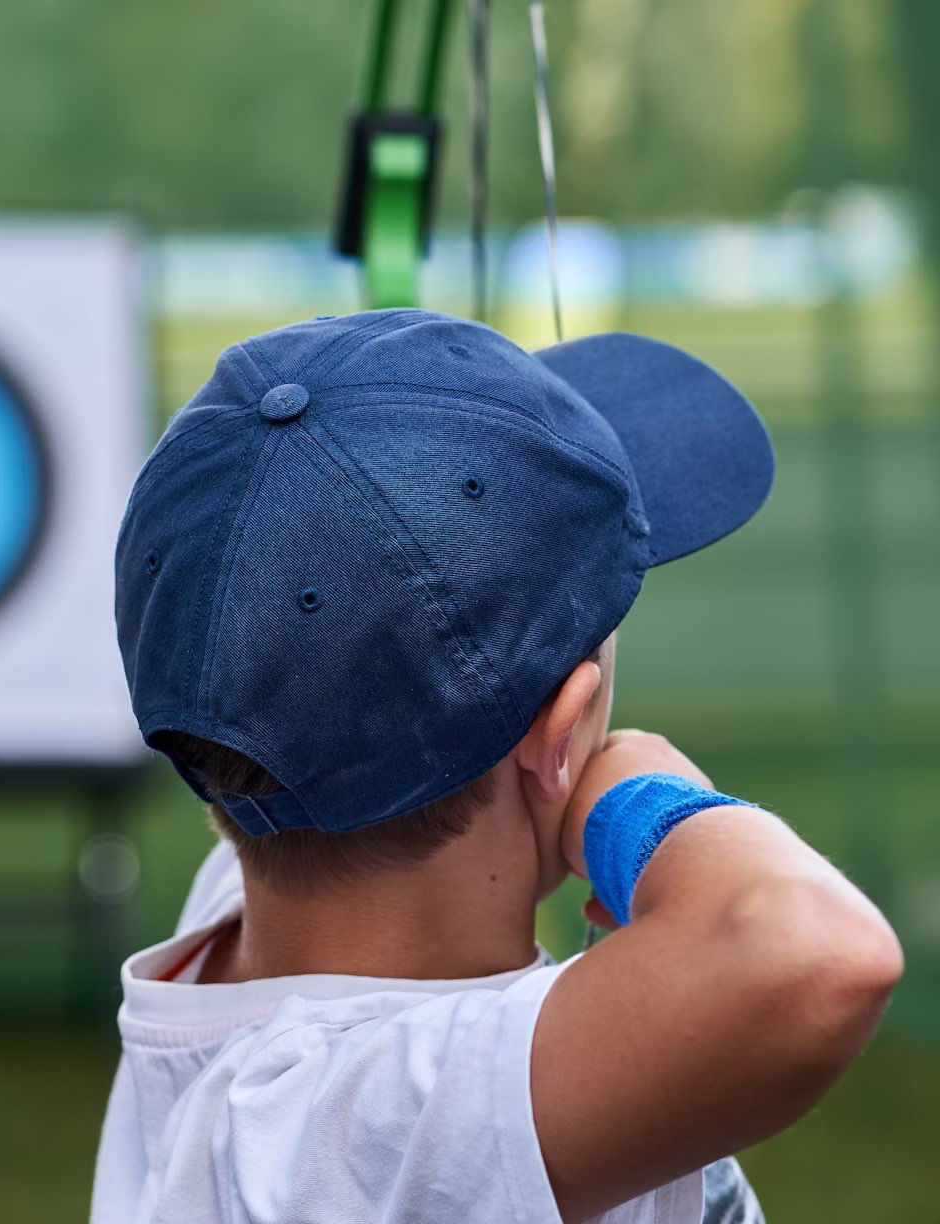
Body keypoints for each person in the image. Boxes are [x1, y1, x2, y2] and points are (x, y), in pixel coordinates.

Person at [92, 309, 902, 1223]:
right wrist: (637, 804)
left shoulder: (249, 917)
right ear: (560, 735)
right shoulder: (347, 1128)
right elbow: (816, 955)